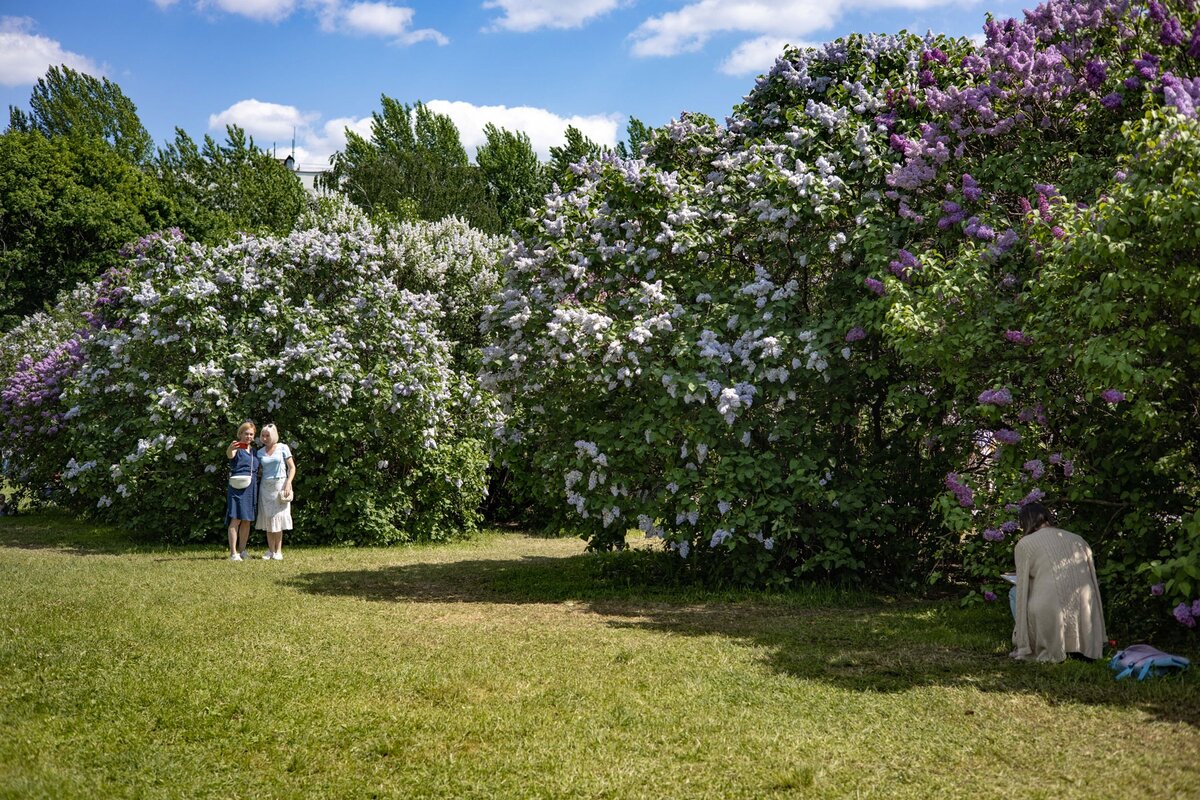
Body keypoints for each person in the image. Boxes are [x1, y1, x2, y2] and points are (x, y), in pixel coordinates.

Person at [1009, 502, 1106, 662]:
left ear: (1025, 522)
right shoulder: (1078, 539)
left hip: (1048, 610)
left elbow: (1022, 588)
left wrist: (1021, 643)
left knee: (1014, 592)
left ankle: (1028, 643)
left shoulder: (1025, 543)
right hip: (1085, 607)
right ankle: (1080, 645)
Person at [254, 423, 295, 561]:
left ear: (274, 435)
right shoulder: (259, 452)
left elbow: (292, 468)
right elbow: (257, 470)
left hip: (280, 486)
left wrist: (288, 483)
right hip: (265, 487)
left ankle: (278, 551)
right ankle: (271, 551)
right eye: (263, 436)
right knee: (268, 519)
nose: (265, 438)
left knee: (278, 519)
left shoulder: (283, 447)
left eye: (268, 435)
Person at [225, 421, 259, 561]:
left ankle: (243, 551)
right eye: (246, 434)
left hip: (251, 486)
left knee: (247, 520)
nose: (249, 436)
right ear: (240, 434)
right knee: (236, 518)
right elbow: (229, 455)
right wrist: (230, 448)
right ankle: (234, 553)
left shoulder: (254, 451)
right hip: (237, 486)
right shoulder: (236, 447)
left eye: (251, 434)